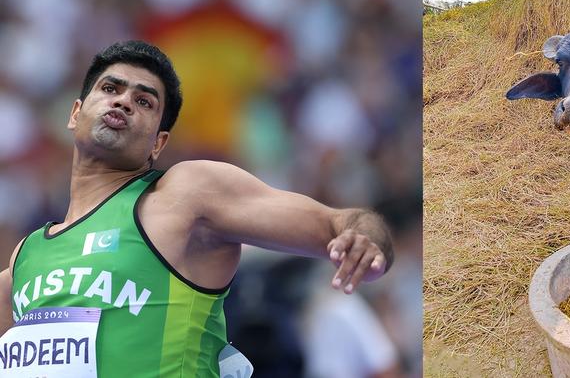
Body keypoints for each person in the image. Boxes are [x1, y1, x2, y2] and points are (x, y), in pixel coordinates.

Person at [0, 41, 393, 377]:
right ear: (74, 113)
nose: (123, 101)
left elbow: (338, 223)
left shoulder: (183, 198)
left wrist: (365, 237)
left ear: (159, 143)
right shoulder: (26, 257)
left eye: (144, 101)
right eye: (110, 88)